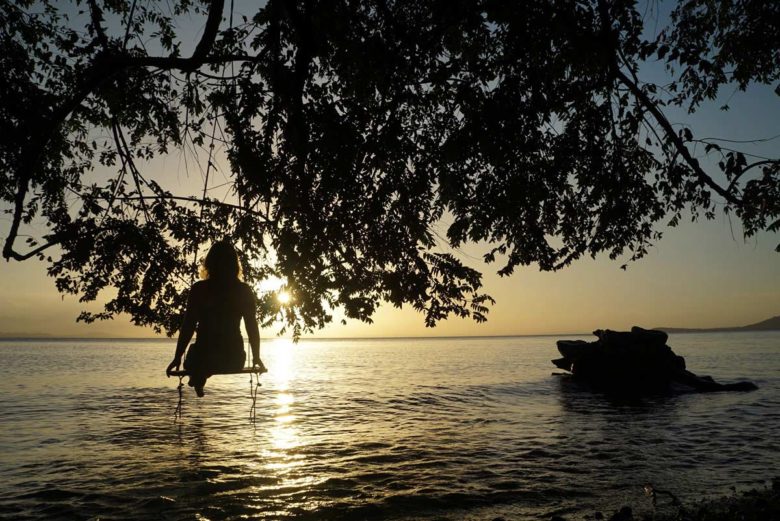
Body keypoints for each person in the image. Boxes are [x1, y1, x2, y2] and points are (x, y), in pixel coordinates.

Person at [166, 240, 266, 396]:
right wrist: (257, 356)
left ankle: (198, 376)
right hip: (233, 357)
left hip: (203, 354)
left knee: (195, 360)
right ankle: (199, 375)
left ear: (210, 264)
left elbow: (189, 325)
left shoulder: (200, 290)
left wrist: (177, 357)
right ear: (234, 265)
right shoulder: (243, 290)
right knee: (204, 359)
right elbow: (251, 326)